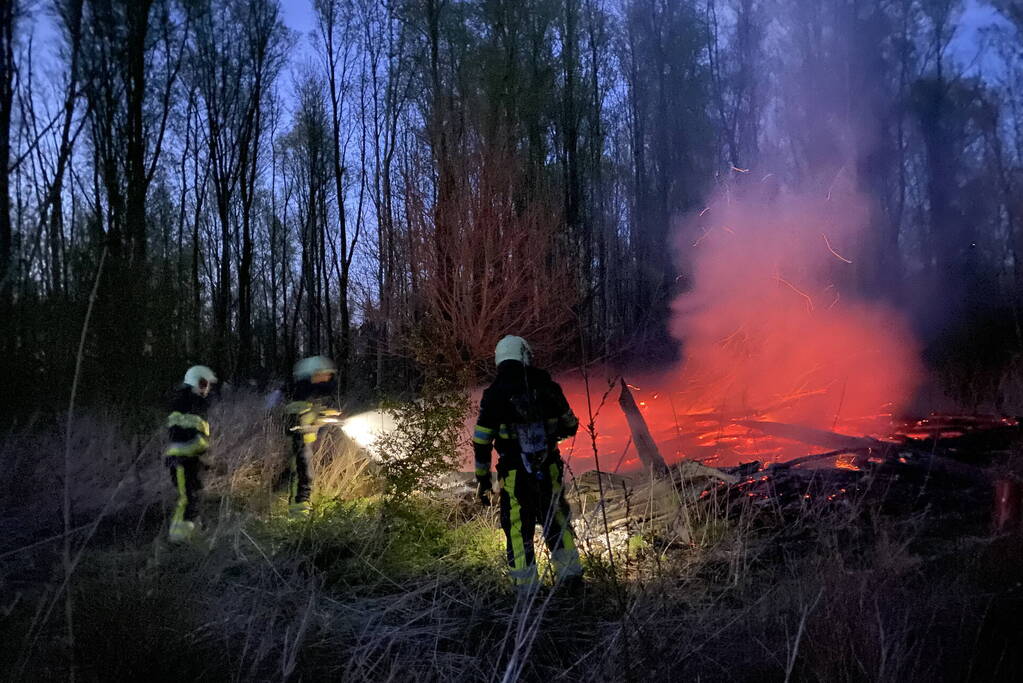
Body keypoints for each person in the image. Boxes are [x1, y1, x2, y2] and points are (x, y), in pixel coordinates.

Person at [472, 335, 583, 590]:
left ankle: (526, 592)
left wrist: (483, 480)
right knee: (556, 519)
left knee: (517, 528)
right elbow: (570, 425)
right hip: (549, 468)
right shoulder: (547, 386)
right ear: (525, 355)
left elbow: (481, 441)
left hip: (513, 474)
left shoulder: (494, 395)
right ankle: (572, 582)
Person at [165, 365, 217, 543]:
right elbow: (182, 436)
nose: (207, 388)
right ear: (198, 382)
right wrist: (204, 453)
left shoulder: (195, 405)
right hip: (181, 461)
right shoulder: (184, 404)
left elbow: (195, 438)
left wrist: (204, 459)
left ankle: (188, 535)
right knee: (187, 499)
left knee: (195, 496)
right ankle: (178, 539)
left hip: (190, 460)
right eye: (205, 384)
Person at [283, 355, 339, 517]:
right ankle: (298, 513)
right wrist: (321, 418)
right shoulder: (298, 398)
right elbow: (299, 423)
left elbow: (310, 414)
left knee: (299, 474)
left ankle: (294, 505)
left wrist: (327, 415)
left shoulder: (305, 396)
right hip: (299, 443)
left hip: (303, 443)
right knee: (303, 475)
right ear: (312, 374)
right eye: (324, 374)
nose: (328, 378)